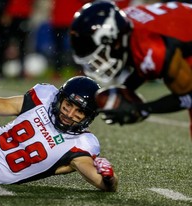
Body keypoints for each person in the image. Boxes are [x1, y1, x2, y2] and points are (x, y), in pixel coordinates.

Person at [69, 1, 192, 136]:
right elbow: (143, 63)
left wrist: (142, 109)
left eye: (96, 50)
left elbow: (189, 97)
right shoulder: (124, 25)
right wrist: (127, 88)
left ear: (112, 40)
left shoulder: (152, 47)